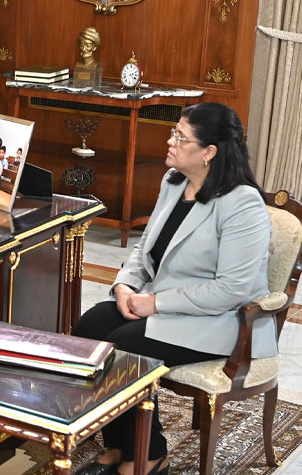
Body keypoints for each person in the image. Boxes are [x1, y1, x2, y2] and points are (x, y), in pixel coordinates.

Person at [73, 102, 274, 475]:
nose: (170, 141)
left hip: (221, 322)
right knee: (89, 328)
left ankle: (150, 456)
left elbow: (231, 290)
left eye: (181, 137)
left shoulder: (243, 204)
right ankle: (120, 445)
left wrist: (155, 303)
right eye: (173, 132)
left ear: (209, 152)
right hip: (168, 306)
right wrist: (124, 285)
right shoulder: (174, 182)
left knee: (124, 348)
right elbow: (145, 247)